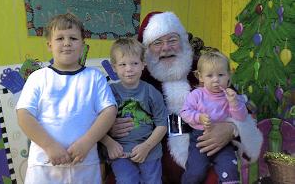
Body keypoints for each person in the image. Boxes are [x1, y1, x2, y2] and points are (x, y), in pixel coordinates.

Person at [109, 11, 263, 184]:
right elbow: (105, 113)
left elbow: (246, 111)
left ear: (182, 41)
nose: (166, 47)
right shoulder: (137, 77)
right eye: (157, 42)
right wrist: (110, 127)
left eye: (172, 40)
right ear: (146, 50)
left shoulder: (207, 69)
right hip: (153, 160)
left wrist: (232, 128)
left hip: (208, 150)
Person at [16, 13, 117, 184]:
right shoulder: (38, 77)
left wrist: (87, 142)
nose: (67, 43)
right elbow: (24, 114)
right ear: (49, 45)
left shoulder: (95, 77)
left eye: (73, 38)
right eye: (60, 38)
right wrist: (49, 145)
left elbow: (109, 111)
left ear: (83, 44)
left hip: (84, 164)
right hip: (44, 166)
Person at [101, 37, 168, 184]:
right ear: (114, 67)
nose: (129, 69)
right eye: (123, 64)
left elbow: (162, 124)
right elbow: (95, 124)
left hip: (149, 151)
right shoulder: (108, 92)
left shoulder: (151, 92)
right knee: (127, 180)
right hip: (120, 152)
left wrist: (147, 146)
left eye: (134, 63)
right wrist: (109, 143)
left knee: (153, 181)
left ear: (143, 64)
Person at [180, 51, 249, 183]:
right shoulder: (196, 94)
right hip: (200, 139)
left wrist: (234, 103)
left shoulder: (231, 96)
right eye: (210, 75)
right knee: (196, 171)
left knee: (230, 169)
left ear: (229, 75)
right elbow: (185, 112)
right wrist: (198, 117)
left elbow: (241, 118)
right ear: (200, 77)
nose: (216, 80)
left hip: (225, 142)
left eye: (221, 75)